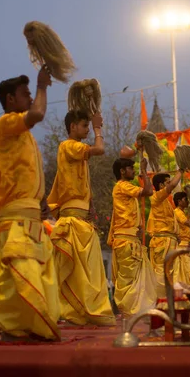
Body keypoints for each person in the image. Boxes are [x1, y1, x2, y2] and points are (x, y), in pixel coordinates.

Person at [0, 68, 61, 342]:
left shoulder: (27, 137)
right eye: (26, 94)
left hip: (32, 216)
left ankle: (31, 329)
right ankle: (15, 330)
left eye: (32, 93)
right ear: (10, 100)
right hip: (17, 217)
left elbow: (31, 172)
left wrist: (42, 202)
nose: (31, 98)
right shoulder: (6, 123)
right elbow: (38, 114)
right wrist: (43, 86)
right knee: (20, 274)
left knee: (38, 275)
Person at [47, 110, 115, 326]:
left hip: (82, 222)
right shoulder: (68, 146)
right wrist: (97, 128)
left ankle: (86, 314)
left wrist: (91, 208)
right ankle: (75, 314)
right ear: (73, 126)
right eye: (84, 126)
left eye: (88, 126)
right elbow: (100, 149)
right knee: (78, 274)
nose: (86, 130)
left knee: (91, 273)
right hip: (73, 222)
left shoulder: (77, 154)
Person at [107, 157, 157, 317]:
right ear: (122, 171)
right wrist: (144, 172)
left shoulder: (125, 187)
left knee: (137, 279)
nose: (133, 171)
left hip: (131, 240)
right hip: (125, 241)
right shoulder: (123, 186)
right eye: (131, 168)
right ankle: (129, 313)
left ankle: (136, 313)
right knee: (128, 280)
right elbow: (148, 191)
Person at [147, 170, 183, 298]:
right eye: (167, 182)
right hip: (162, 242)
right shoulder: (157, 198)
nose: (170, 184)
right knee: (162, 272)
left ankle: (169, 302)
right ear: (161, 186)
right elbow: (172, 186)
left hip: (170, 242)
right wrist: (181, 171)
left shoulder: (167, 202)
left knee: (170, 273)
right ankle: (161, 302)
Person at [173, 192, 190, 287]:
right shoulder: (177, 212)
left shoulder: (182, 212)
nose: (188, 202)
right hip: (181, 247)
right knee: (186, 272)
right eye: (186, 199)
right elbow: (189, 223)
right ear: (179, 201)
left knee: (188, 272)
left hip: (185, 246)